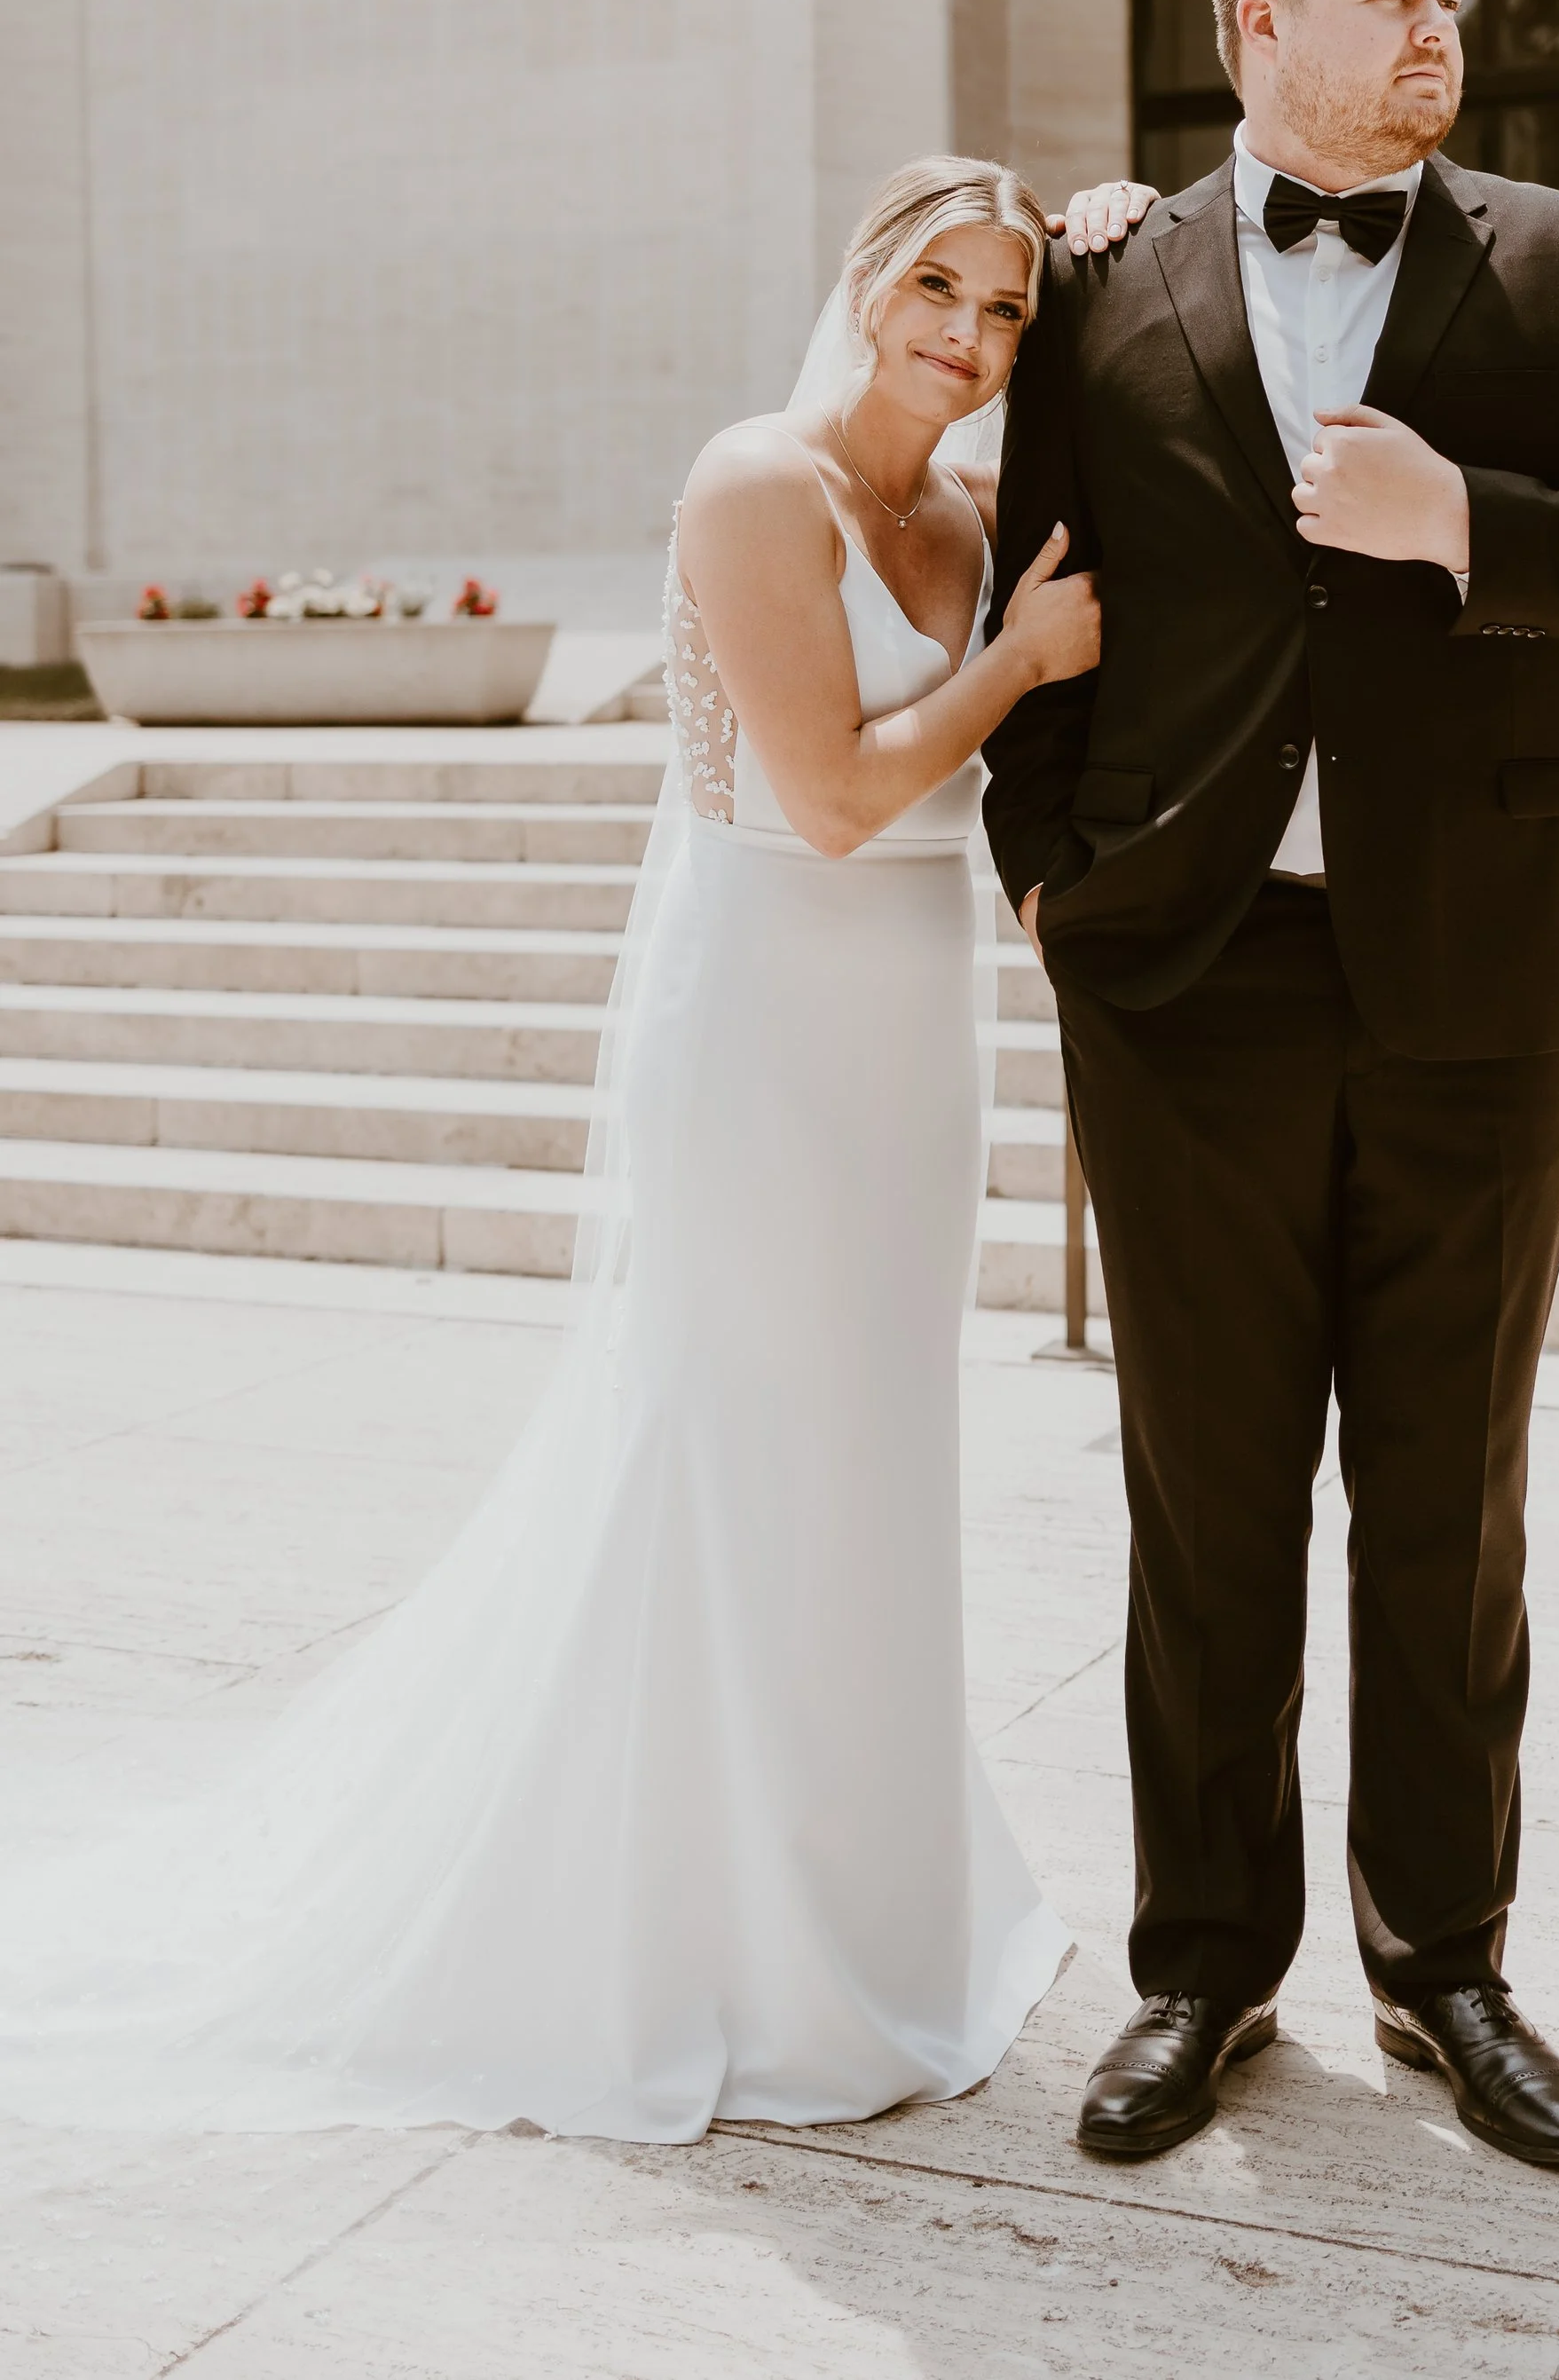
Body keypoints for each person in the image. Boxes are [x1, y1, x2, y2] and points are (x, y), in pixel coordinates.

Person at [0, 156, 1099, 2141]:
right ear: (866, 281)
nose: (971, 333)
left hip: (910, 1050)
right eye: (941, 286)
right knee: (731, 1449)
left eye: (1010, 307)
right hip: (763, 1025)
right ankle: (700, 1933)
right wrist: (1016, 666)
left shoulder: (966, 514)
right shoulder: (755, 484)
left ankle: (869, 1904)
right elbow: (836, 798)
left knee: (870, 1455)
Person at [983, 0, 1559, 2172]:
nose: (1439, 31)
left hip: (1479, 973)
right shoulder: (1101, 283)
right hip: (1183, 975)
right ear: (1257, 21)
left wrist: (1471, 521)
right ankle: (1198, 1968)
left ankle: (1445, 1965)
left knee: (1446, 1500)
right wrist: (1048, 871)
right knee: (1203, 1500)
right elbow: (1046, 579)